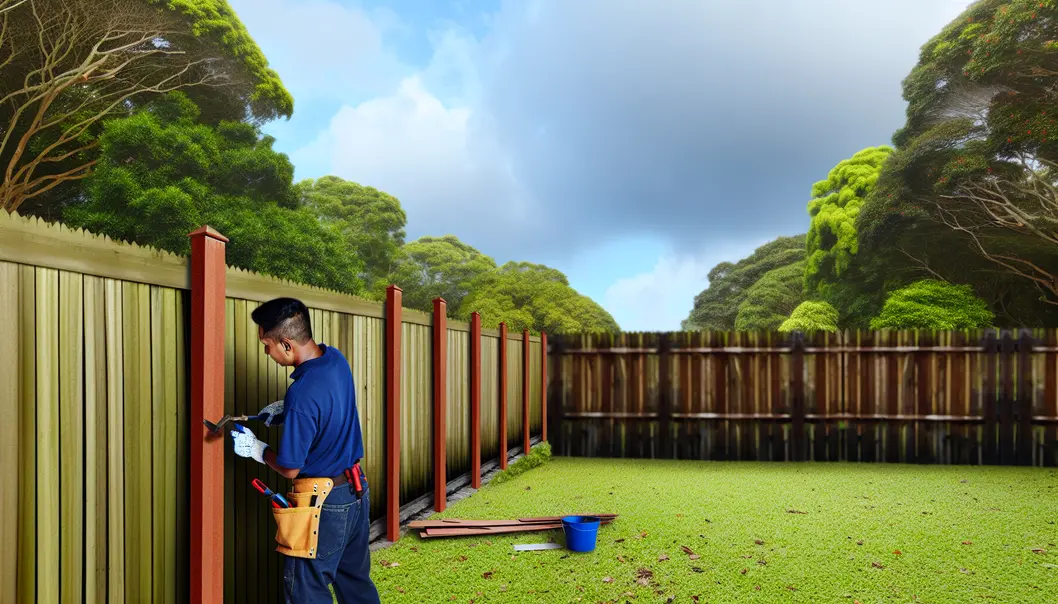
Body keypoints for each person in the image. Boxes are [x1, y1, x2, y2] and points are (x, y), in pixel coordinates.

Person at [228, 297, 381, 603]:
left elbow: (289, 468)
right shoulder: (335, 359)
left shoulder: (301, 395)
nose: (266, 352)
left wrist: (258, 449)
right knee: (355, 585)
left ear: (286, 344)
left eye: (267, 344)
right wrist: (287, 412)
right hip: (355, 491)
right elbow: (328, 406)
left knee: (307, 592)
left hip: (323, 505)